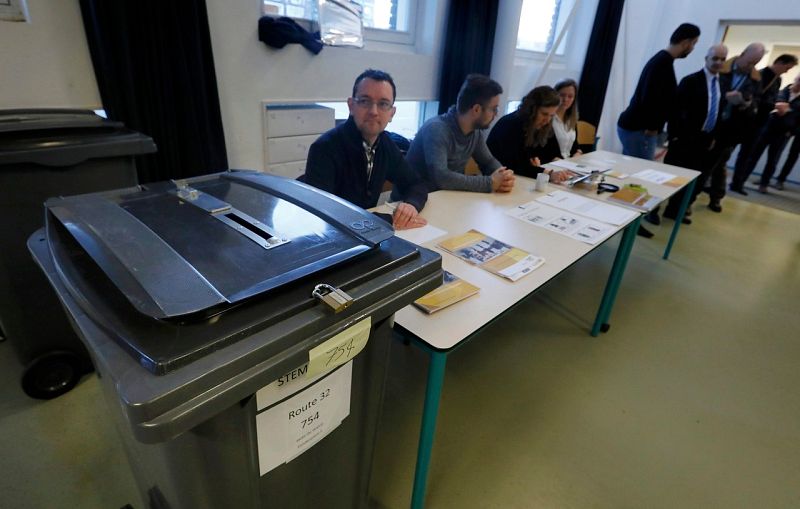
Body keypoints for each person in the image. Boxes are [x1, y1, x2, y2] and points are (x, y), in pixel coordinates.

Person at [304, 69, 428, 230]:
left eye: (383, 104)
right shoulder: (324, 148)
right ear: (351, 106)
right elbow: (323, 214)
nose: (373, 112)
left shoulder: (385, 144)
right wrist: (389, 219)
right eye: (364, 101)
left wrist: (411, 205)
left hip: (368, 233)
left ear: (392, 113)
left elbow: (415, 184)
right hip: (335, 237)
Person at [617, 22, 700, 236]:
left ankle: (627, 219)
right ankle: (631, 223)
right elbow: (650, 98)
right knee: (640, 178)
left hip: (636, 127)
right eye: (693, 44)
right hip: (640, 129)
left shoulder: (663, 61)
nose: (692, 49)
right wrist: (653, 126)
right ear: (686, 42)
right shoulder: (662, 63)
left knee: (634, 176)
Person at [645, 44, 728, 227]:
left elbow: (719, 111)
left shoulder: (722, 84)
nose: (718, 62)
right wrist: (674, 136)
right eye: (715, 58)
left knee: (691, 180)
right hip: (683, 139)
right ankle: (652, 210)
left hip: (705, 140)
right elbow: (675, 110)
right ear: (706, 59)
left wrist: (714, 136)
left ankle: (674, 210)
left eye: (722, 59)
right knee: (668, 178)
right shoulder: (691, 81)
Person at [406, 74, 515, 193]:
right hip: (413, 199)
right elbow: (441, 178)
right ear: (476, 109)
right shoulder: (436, 129)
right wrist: (490, 183)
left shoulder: (475, 132)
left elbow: (488, 162)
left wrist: (503, 176)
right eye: (494, 109)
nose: (496, 114)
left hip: (447, 197)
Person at [705, 42, 765, 211]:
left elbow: (757, 103)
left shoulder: (755, 78)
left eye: (755, 63)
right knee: (705, 163)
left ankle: (716, 197)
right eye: (750, 61)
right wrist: (724, 97)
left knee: (720, 162)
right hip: (712, 124)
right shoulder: (721, 68)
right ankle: (691, 198)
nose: (751, 66)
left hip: (732, 129)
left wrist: (747, 104)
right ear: (743, 54)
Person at [729, 53, 798, 193]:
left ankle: (738, 184)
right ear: (779, 63)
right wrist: (775, 105)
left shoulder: (777, 80)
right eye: (787, 68)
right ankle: (732, 182)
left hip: (763, 125)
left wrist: (775, 105)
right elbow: (754, 98)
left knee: (750, 155)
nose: (787, 72)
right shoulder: (759, 76)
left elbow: (769, 99)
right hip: (749, 122)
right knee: (739, 154)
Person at [486, 86, 575, 182]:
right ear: (532, 109)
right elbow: (516, 165)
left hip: (515, 178)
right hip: (495, 177)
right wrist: (548, 174)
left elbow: (549, 152)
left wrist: (536, 162)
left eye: (551, 115)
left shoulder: (540, 124)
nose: (547, 120)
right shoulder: (511, 124)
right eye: (544, 114)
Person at [747, 74, 800, 192]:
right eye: (799, 80)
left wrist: (791, 131)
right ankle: (741, 179)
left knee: (772, 161)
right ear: (795, 79)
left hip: (783, 134)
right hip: (768, 128)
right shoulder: (781, 92)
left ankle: (764, 184)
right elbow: (769, 104)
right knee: (754, 155)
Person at [552, 78, 582, 159]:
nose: (565, 99)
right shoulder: (548, 118)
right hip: (554, 162)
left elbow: (575, 144)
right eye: (562, 95)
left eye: (570, 96)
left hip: (569, 162)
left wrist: (578, 152)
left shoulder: (572, 119)